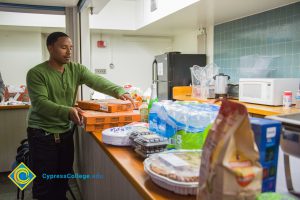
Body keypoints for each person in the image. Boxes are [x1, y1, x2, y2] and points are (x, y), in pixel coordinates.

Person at [26, 32, 134, 200]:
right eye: (63, 47)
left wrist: (119, 91)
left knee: (62, 178)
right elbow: (40, 103)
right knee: (45, 182)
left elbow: (97, 81)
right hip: (42, 134)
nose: (69, 52)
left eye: (71, 48)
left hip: (65, 132)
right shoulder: (36, 73)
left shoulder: (76, 69)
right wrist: (67, 111)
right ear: (50, 48)